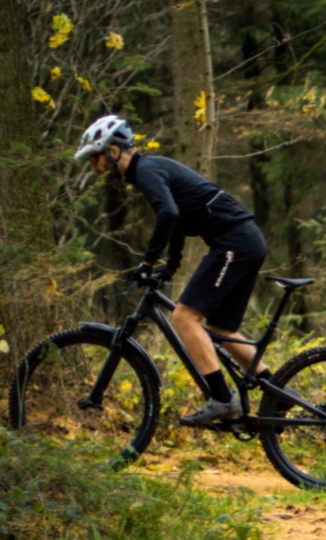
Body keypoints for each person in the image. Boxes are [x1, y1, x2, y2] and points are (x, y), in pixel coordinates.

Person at [74, 114, 269, 425]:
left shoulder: (146, 170)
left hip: (235, 243)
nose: (94, 167)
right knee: (220, 329)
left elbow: (168, 214)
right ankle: (275, 391)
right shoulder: (151, 169)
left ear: (113, 151)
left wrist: (147, 263)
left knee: (183, 317)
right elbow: (178, 219)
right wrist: (170, 267)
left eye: (95, 158)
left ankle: (222, 398)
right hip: (245, 241)